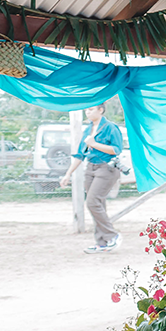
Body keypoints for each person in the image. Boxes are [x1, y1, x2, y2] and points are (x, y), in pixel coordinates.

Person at [60, 103, 124, 254]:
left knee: (92, 202)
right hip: (90, 168)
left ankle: (112, 235)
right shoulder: (87, 130)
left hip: (106, 168)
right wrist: (68, 174)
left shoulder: (110, 127)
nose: (87, 112)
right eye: (86, 110)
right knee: (98, 204)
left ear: (100, 110)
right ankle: (102, 243)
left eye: (90, 109)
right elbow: (80, 154)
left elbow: (116, 149)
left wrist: (95, 144)